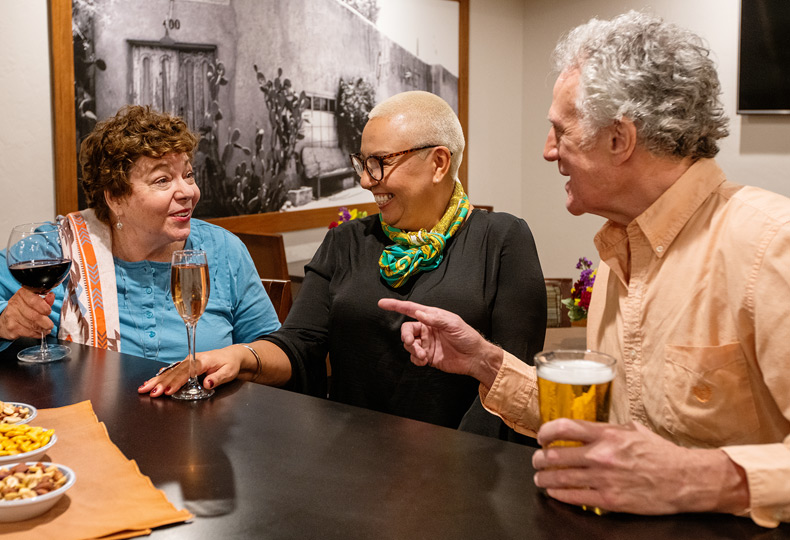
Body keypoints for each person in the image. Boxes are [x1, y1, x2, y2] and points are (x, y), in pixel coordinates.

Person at [379, 11, 790, 528]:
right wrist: (485, 362)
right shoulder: (620, 252)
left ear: (620, 139)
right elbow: (602, 424)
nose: (549, 151)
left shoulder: (771, 246)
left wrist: (699, 477)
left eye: (559, 131)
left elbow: (664, 465)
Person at [140, 91, 547, 441]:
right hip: (354, 457)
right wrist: (238, 357)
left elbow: (514, 377)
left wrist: (453, 459)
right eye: (363, 163)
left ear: (439, 163)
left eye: (381, 162)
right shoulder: (347, 241)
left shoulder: (502, 240)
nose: (367, 181)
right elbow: (299, 346)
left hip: (468, 466)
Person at [0, 105, 280, 363]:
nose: (187, 192)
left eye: (189, 175)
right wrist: (4, 320)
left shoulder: (223, 249)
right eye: (163, 180)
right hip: (91, 414)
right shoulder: (62, 248)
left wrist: (239, 358)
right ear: (116, 198)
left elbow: (278, 354)